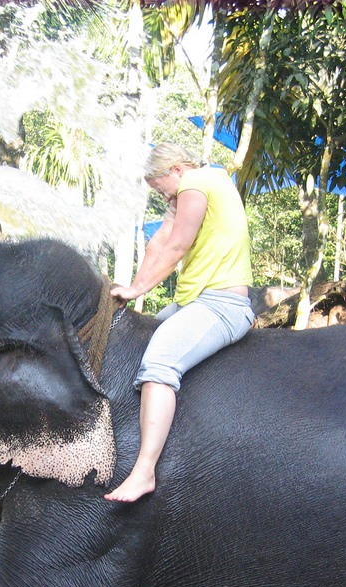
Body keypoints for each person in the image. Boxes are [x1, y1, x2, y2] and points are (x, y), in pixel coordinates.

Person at [105, 143, 255, 503]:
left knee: (159, 364)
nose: (163, 196)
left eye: (161, 188)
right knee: (138, 347)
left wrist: (138, 288)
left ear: (176, 170)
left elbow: (177, 247)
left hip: (222, 304)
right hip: (193, 302)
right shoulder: (188, 190)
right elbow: (159, 243)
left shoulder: (197, 182)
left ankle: (144, 472)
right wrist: (132, 288)